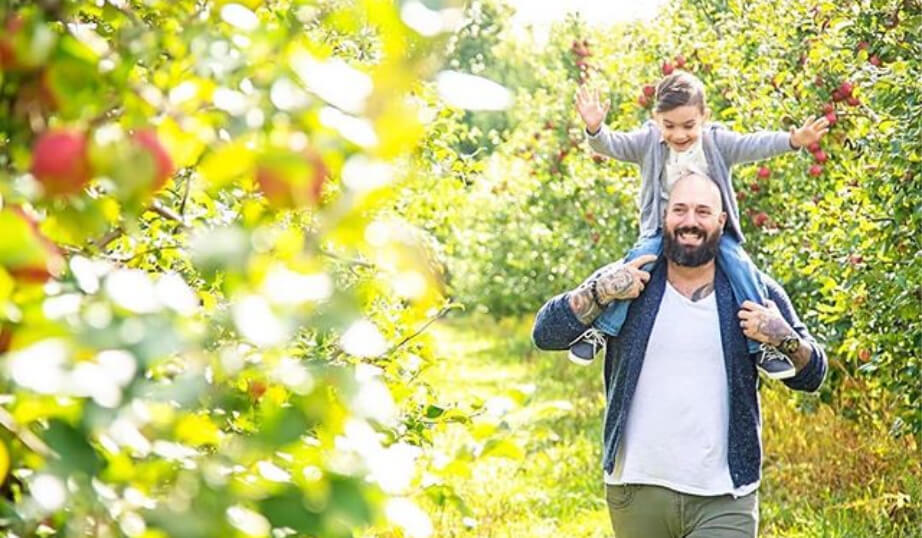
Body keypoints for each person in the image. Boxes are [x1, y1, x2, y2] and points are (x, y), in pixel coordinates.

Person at [532, 172, 828, 537]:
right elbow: (545, 334)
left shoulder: (753, 291)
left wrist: (783, 337)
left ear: (721, 221)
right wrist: (599, 293)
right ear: (665, 218)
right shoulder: (628, 279)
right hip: (635, 489)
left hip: (724, 496)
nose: (690, 222)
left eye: (703, 212)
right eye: (680, 210)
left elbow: (813, 375)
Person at [569, 70, 828, 380]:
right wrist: (595, 127)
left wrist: (793, 140)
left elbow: (754, 144)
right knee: (633, 269)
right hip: (661, 230)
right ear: (656, 119)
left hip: (710, 232)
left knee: (742, 269)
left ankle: (760, 348)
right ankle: (601, 330)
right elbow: (612, 145)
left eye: (689, 126)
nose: (679, 135)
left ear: (704, 117)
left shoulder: (717, 143)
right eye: (670, 126)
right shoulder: (648, 141)